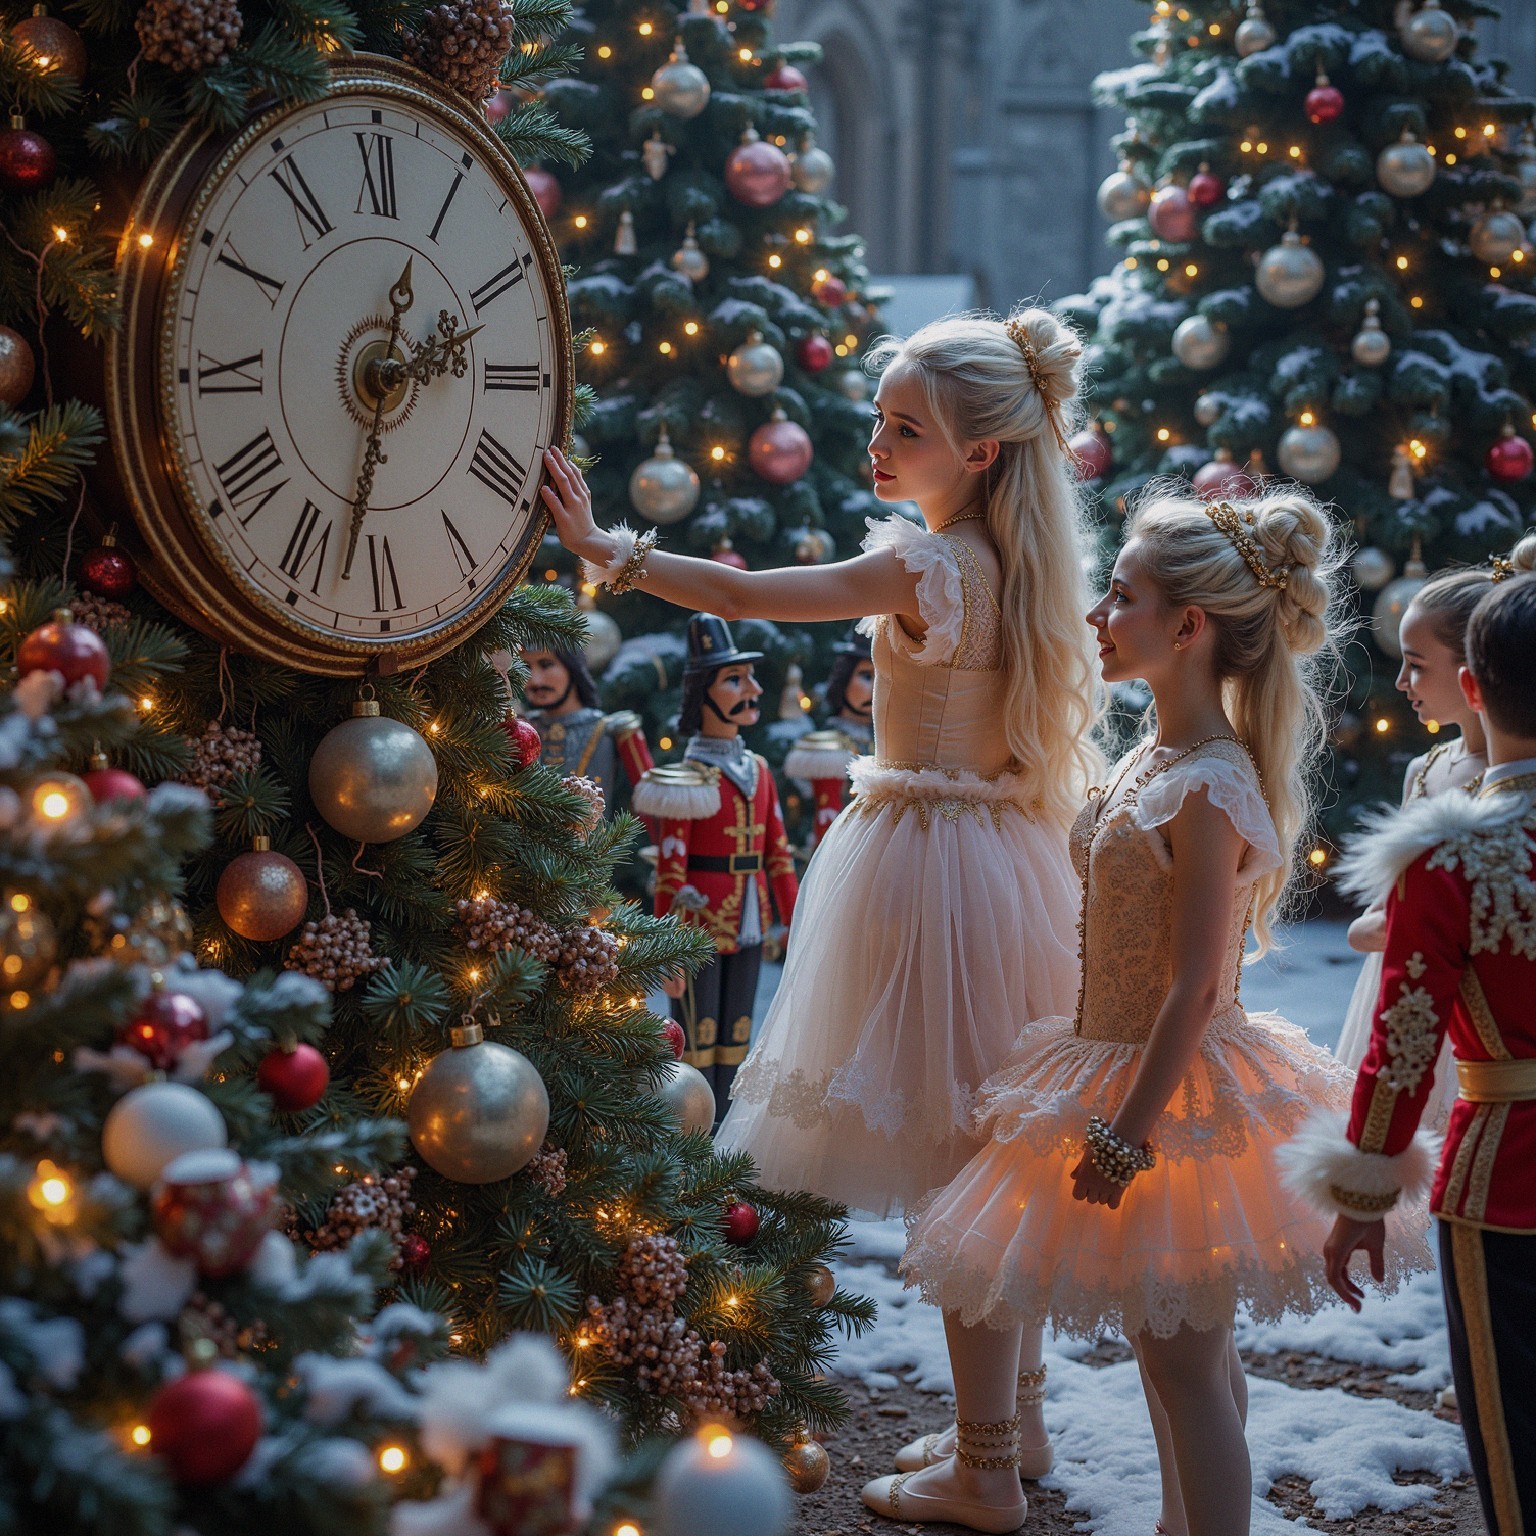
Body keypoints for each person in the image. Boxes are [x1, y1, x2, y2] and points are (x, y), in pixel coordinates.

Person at [541, 305, 1101, 1480]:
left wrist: (610, 552)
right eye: (882, 420)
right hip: (1009, 861)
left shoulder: (927, 564)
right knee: (987, 1154)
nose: (879, 447)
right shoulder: (1021, 566)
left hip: (928, 869)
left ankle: (988, 1465)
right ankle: (1019, 1427)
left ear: (982, 451)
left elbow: (750, 598)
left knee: (957, 1170)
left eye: (907, 429)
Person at [880, 485, 1430, 1536]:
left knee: (1182, 1359)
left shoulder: (1212, 782)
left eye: (1120, 597)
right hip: (1105, 1059)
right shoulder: (1155, 756)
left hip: (1171, 1088)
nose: (1099, 616)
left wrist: (1126, 1135)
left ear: (1188, 627)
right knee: (1176, 1348)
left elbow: (1198, 986)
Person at [1292, 565, 1536, 1536]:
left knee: (1518, 1449)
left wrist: (1360, 1200)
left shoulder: (1448, 854)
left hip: (1506, 1176)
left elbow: (1402, 1043)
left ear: (1472, 691)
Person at [1335, 541, 1536, 1128]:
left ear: (1473, 672)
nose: (1400, 681)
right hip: (1403, 1000)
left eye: (1417, 664)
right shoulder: (1424, 773)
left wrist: (1411, 922)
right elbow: (1375, 916)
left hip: (1481, 1025)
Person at [632, 616, 798, 1118]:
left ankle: (727, 1129)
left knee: (738, 1034)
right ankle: (697, 1129)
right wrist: (667, 950)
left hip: (751, 919)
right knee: (699, 1039)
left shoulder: (760, 769)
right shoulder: (685, 777)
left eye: (750, 678)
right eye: (735, 680)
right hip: (699, 926)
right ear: (703, 692)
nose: (753, 690)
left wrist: (793, 918)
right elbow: (670, 867)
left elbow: (778, 851)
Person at [519, 644, 654, 818]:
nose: (535, 680)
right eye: (525, 667)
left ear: (572, 667)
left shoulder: (612, 729)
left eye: (546, 665)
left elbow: (652, 802)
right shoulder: (520, 729)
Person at [784, 625, 875, 847]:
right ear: (843, 679)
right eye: (866, 676)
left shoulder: (880, 744)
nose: (876, 687)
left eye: (883, 677)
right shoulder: (828, 749)